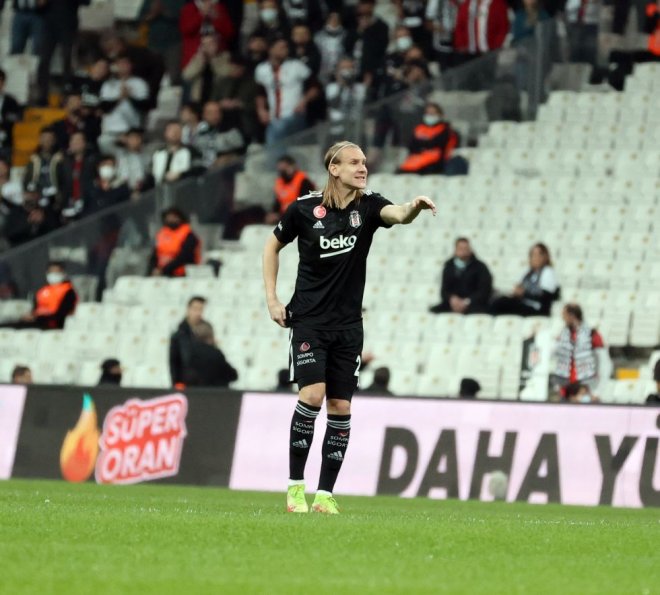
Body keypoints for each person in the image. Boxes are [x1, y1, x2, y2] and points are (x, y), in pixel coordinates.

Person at [262, 140, 436, 514]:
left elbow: (397, 214)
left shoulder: (368, 206)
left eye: (364, 162)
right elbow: (271, 247)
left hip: (348, 327)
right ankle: (295, 489)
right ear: (334, 169)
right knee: (312, 395)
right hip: (309, 322)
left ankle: (325, 495)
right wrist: (273, 300)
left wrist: (413, 207)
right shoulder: (304, 209)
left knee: (340, 406)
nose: (362, 168)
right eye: (354, 162)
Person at [255, 37, 318, 147]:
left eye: (286, 47)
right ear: (271, 49)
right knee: (277, 129)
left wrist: (304, 101)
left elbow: (315, 87)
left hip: (294, 114)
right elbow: (260, 92)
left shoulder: (296, 66)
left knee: (278, 131)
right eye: (281, 47)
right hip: (274, 117)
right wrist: (261, 110)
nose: (286, 50)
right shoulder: (261, 69)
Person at [36, 0, 89, 105]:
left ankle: (66, 95)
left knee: (67, 60)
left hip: (68, 24)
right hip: (49, 25)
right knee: (44, 60)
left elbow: (86, 2)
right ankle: (42, 95)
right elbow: (38, 7)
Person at [551, 303, 609, 398]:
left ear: (572, 316)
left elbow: (604, 363)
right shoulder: (563, 334)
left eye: (564, 315)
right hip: (566, 387)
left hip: (585, 387)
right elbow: (553, 357)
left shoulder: (592, 334)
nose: (562, 318)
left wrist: (598, 391)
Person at [0, 261, 77, 330]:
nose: (53, 275)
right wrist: (30, 315)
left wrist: (38, 317)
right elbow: (36, 309)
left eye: (56, 272)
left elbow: (61, 314)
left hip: (53, 323)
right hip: (38, 321)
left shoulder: (68, 291)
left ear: (63, 273)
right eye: (51, 272)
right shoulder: (42, 291)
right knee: (7, 326)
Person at [490, 243, 560, 317]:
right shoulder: (528, 273)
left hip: (536, 308)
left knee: (503, 303)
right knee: (499, 301)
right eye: (533, 255)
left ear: (545, 257)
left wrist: (524, 294)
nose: (535, 258)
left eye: (539, 255)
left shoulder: (547, 272)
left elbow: (546, 297)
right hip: (524, 304)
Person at [98, 55, 150, 153]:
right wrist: (120, 98)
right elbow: (104, 108)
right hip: (110, 132)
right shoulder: (108, 84)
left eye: (125, 63)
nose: (123, 66)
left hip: (131, 132)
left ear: (131, 65)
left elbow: (144, 107)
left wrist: (129, 97)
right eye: (120, 64)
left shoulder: (139, 83)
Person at [430, 238, 492, 314]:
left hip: (474, 304)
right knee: (433, 311)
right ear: (455, 250)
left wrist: (466, 302)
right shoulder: (448, 266)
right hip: (452, 304)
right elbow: (444, 291)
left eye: (466, 248)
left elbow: (484, 291)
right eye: (460, 248)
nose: (463, 251)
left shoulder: (480, 267)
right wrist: (452, 299)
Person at [397, 102, 459, 175]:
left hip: (436, 162)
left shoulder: (445, 129)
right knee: (401, 171)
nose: (430, 116)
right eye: (428, 113)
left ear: (440, 115)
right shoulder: (419, 128)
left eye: (432, 113)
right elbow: (411, 144)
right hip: (415, 159)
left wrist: (422, 143)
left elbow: (437, 144)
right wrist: (424, 144)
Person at [179, 0, 235, 69]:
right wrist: (201, 15)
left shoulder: (219, 7)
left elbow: (229, 32)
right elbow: (186, 30)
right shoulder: (189, 8)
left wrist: (216, 19)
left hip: (218, 56)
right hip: (195, 57)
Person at [148, 207, 201, 277]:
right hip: (162, 274)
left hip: (182, 275)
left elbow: (184, 257)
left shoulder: (188, 235)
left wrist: (163, 270)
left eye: (174, 217)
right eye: (168, 217)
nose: (171, 219)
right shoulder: (161, 234)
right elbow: (154, 255)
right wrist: (152, 269)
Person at [181, 33, 231, 105]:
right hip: (198, 100)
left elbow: (225, 73)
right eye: (204, 44)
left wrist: (213, 59)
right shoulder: (199, 59)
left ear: (217, 43)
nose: (207, 47)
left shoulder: (225, 56)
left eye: (210, 43)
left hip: (218, 100)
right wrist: (200, 61)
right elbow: (186, 75)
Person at [185, 320, 238, 386]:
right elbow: (233, 375)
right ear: (211, 336)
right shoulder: (216, 354)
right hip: (216, 391)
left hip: (197, 391)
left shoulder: (190, 354)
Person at [265, 155, 316, 224]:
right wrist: (274, 213)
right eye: (281, 170)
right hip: (284, 216)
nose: (283, 172)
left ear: (293, 166)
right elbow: (277, 203)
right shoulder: (279, 182)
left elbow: (307, 203)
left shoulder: (303, 181)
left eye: (285, 168)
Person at [169, 295, 206, 388]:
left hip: (203, 385)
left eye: (201, 309)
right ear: (188, 309)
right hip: (185, 384)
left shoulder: (207, 332)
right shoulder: (178, 336)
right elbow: (174, 363)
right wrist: (177, 383)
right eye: (195, 309)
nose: (198, 313)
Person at [59, 131, 97, 221]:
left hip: (90, 203)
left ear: (85, 143)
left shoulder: (93, 160)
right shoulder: (65, 163)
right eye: (72, 141)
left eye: (78, 140)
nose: (74, 143)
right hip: (71, 205)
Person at [151, 121, 192, 185]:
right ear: (165, 133)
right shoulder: (158, 153)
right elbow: (151, 174)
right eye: (171, 130)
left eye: (177, 131)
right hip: (160, 188)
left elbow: (198, 169)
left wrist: (180, 174)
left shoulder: (190, 151)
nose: (174, 133)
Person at [115, 128, 150, 197]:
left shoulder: (147, 156)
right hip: (126, 192)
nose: (135, 141)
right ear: (126, 140)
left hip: (146, 190)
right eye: (132, 138)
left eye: (137, 138)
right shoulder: (121, 157)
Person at [0, 69, 22, 160]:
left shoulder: (11, 101)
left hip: (5, 143)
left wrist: (4, 121)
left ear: (3, 83)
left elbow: (17, 117)